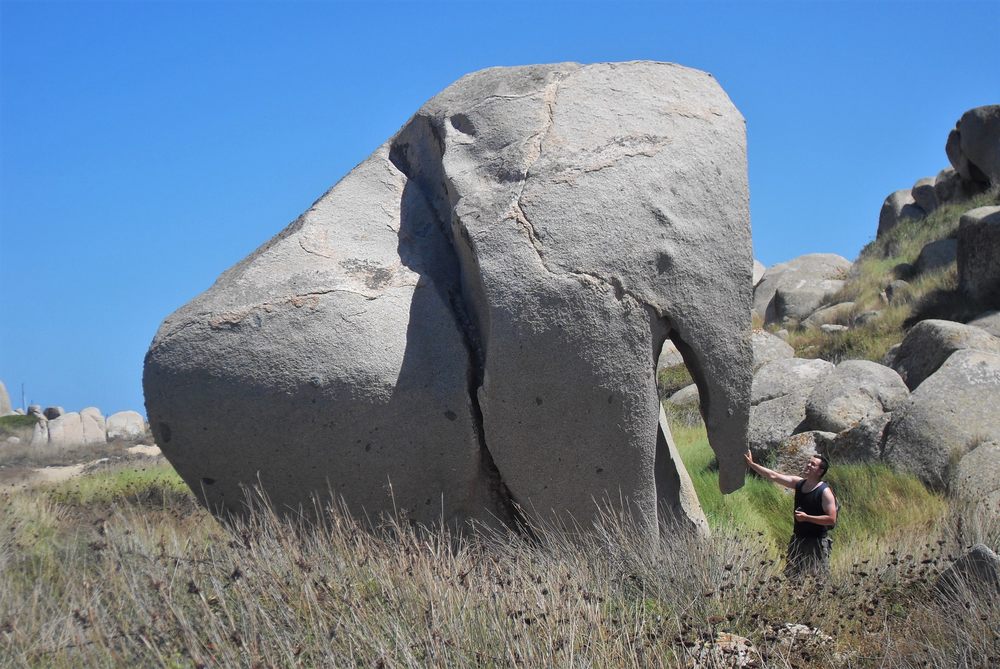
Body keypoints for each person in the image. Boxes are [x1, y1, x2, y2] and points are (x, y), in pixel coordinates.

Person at [744, 450, 838, 576]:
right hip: (797, 539)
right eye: (808, 462)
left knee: (818, 580)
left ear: (820, 471)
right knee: (792, 577)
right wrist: (752, 464)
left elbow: (831, 519)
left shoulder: (825, 492)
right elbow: (773, 476)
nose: (808, 465)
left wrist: (807, 518)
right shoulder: (798, 483)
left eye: (813, 464)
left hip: (816, 542)